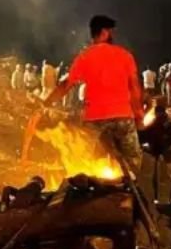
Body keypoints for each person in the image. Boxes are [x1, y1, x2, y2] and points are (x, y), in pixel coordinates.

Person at [31, 15, 144, 173]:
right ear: (104, 32)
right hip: (123, 117)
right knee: (133, 159)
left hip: (95, 120)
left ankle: (96, 191)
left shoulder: (84, 56)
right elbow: (134, 86)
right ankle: (133, 188)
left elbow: (66, 85)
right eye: (111, 31)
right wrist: (138, 113)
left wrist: (45, 104)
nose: (113, 35)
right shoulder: (125, 55)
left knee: (87, 160)